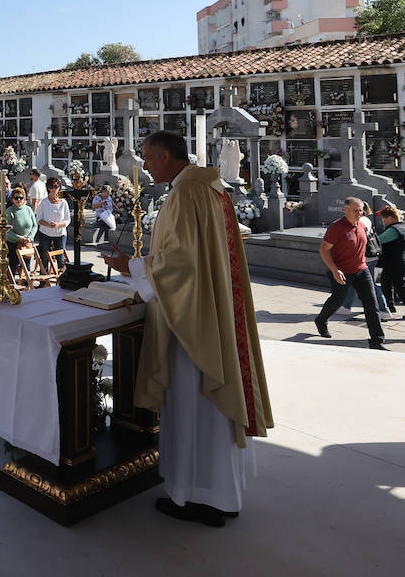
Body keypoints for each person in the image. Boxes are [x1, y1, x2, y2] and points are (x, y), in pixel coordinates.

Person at [101, 130, 273, 528]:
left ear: (164, 157)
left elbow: (179, 262)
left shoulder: (185, 194)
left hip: (191, 323)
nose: (142, 166)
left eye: (146, 158)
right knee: (208, 410)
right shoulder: (212, 188)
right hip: (209, 309)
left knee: (194, 406)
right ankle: (223, 494)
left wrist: (132, 267)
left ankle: (198, 497)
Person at [313, 198, 387, 349]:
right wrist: (334, 270)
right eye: (355, 210)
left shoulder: (361, 225)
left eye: (361, 210)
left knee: (371, 304)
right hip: (341, 272)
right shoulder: (336, 227)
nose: (359, 213)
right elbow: (324, 249)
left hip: (362, 270)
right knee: (337, 300)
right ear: (345, 210)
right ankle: (321, 320)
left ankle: (377, 341)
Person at [374, 205, 405, 319]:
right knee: (386, 283)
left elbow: (378, 240)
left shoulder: (394, 230)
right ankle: (389, 306)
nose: (383, 222)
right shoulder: (404, 227)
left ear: (390, 218)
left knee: (401, 287)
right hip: (398, 263)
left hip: (395, 263)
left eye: (384, 219)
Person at [34, 177, 69, 275]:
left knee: (60, 258)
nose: (54, 189)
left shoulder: (64, 202)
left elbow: (67, 219)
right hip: (45, 233)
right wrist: (48, 225)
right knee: (45, 257)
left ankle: (61, 279)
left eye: (56, 186)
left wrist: (58, 225)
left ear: (59, 188)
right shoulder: (44, 202)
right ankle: (43, 280)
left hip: (60, 233)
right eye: (51, 187)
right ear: (48, 188)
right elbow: (38, 219)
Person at [4, 187, 37, 277]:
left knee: (26, 267)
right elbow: (7, 230)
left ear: (25, 198)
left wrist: (29, 237)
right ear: (12, 199)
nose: (19, 200)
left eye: (21, 197)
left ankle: (25, 285)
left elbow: (34, 225)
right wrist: (19, 238)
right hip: (13, 243)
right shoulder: (9, 211)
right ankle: (11, 285)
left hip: (27, 242)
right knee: (13, 266)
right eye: (16, 198)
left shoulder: (29, 209)